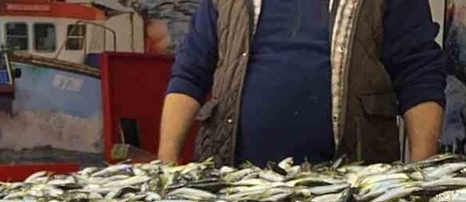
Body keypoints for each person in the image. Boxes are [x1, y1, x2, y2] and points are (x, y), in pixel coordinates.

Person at [158, 0, 446, 166]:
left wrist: (421, 176)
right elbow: (190, 73)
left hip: (351, 190)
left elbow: (417, 72)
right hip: (232, 187)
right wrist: (165, 169)